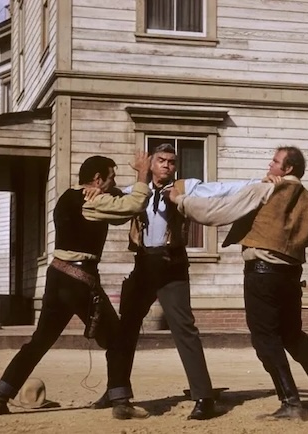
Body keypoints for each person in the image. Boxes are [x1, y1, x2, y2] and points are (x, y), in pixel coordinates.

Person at [168, 146, 308, 420]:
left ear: (287, 169)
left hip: (262, 272)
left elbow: (216, 211)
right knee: (293, 335)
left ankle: (291, 402)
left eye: (275, 162)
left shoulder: (266, 189)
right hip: (291, 274)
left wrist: (180, 200)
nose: (269, 165)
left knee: (265, 339)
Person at [92, 143, 263, 420]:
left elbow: (222, 188)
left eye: (171, 162)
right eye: (161, 160)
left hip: (172, 264)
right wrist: (92, 190)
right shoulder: (135, 189)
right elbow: (108, 200)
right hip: (143, 264)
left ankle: (204, 397)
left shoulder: (186, 187)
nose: (167, 165)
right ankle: (117, 390)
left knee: (184, 328)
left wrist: (260, 183)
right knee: (126, 328)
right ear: (150, 163)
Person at [0, 152, 152, 416]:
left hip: (57, 277)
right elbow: (132, 207)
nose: (113, 182)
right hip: (80, 281)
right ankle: (120, 401)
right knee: (118, 339)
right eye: (110, 178)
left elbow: (118, 211)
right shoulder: (94, 201)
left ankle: (0, 395)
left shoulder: (68, 197)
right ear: (98, 179)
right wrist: (143, 174)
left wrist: (113, 193)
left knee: (40, 341)